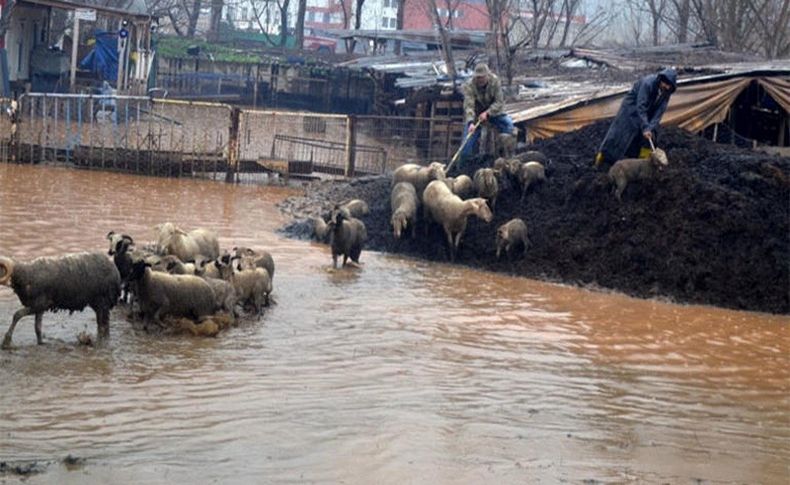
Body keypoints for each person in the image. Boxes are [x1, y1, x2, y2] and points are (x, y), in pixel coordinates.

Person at [595, 68, 677, 167]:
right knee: (621, 134)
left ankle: (642, 163)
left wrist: (649, 128)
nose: (667, 87)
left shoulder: (666, 92)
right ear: (661, 80)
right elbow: (641, 106)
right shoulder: (647, 83)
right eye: (666, 84)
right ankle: (604, 159)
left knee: (649, 136)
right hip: (631, 109)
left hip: (647, 111)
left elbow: (659, 113)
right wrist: (645, 126)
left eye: (669, 86)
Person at [459, 63, 514, 162]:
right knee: (466, 143)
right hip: (476, 115)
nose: (480, 80)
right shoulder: (469, 86)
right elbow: (469, 105)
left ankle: (507, 153)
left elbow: (499, 102)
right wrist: (471, 122)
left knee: (508, 124)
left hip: (494, 113)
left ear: (487, 76)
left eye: (482, 77)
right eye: (478, 77)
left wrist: (488, 113)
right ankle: (464, 165)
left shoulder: (495, 81)